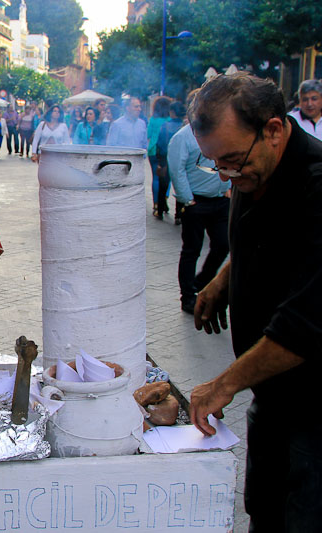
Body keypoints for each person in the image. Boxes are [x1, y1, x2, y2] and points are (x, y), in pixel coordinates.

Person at [187, 73, 322, 531]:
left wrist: (224, 384)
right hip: (273, 397)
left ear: (274, 130)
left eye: (232, 161)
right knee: (263, 511)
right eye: (215, 166)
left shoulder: (316, 187)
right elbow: (260, 242)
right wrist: (225, 278)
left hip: (316, 406)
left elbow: (308, 321)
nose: (227, 176)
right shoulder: (253, 171)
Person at [166, 106, 230, 313]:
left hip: (220, 200)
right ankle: (187, 296)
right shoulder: (182, 137)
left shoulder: (219, 130)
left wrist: (228, 188)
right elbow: (177, 169)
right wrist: (187, 199)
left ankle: (200, 283)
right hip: (195, 202)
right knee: (191, 249)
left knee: (223, 244)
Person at [154, 101, 186, 220]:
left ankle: (160, 210)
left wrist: (160, 162)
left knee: (163, 186)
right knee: (180, 186)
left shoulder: (165, 125)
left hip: (166, 160)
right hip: (181, 161)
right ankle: (179, 214)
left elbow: (160, 144)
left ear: (172, 112)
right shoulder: (184, 126)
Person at [147, 97, 172, 214]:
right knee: (167, 177)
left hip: (153, 150)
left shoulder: (153, 119)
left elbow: (149, 135)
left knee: (155, 177)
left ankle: (156, 204)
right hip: (166, 151)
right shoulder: (169, 120)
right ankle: (164, 200)